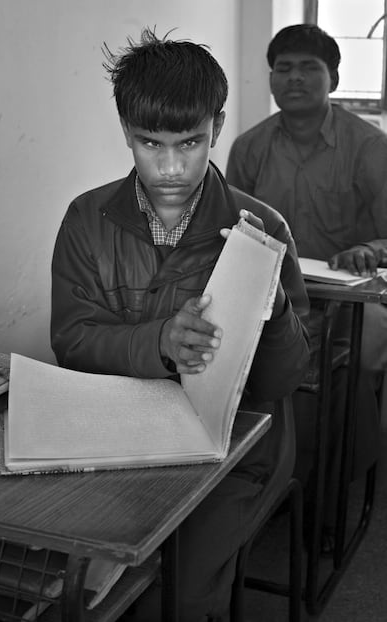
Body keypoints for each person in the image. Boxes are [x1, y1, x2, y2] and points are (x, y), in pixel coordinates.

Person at [50, 27, 309, 621]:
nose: (170, 167)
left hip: (236, 450)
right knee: (72, 576)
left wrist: (273, 311)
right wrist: (159, 343)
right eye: (149, 143)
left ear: (216, 126)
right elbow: (72, 340)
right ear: (126, 132)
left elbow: (283, 381)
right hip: (121, 432)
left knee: (181, 597)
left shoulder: (261, 228)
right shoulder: (86, 219)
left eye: (190, 142)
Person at [226, 23, 387, 552]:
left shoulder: (368, 146)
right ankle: (269, 480)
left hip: (359, 292)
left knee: (357, 363)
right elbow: (232, 234)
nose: (294, 78)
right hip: (277, 296)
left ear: (333, 78)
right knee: (233, 359)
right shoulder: (249, 147)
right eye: (283, 67)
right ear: (271, 78)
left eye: (308, 68)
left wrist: (371, 248)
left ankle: (337, 485)